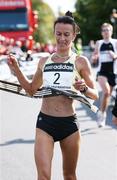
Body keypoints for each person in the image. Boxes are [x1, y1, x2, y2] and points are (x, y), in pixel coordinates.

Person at [8, 11, 98, 180]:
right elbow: (31, 89)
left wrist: (84, 88)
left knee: (69, 176)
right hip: (45, 123)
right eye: (58, 34)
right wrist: (17, 69)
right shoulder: (44, 61)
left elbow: (95, 96)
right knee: (43, 176)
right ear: (54, 33)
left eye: (66, 34)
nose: (62, 38)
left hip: (69, 125)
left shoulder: (80, 62)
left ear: (73, 35)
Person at [92, 22, 117, 127]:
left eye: (108, 30)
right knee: (106, 91)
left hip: (113, 72)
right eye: (104, 30)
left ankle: (102, 112)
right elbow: (94, 56)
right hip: (102, 72)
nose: (106, 32)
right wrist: (94, 58)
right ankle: (102, 116)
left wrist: (114, 55)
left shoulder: (115, 42)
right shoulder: (99, 43)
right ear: (102, 33)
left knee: (107, 95)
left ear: (111, 31)